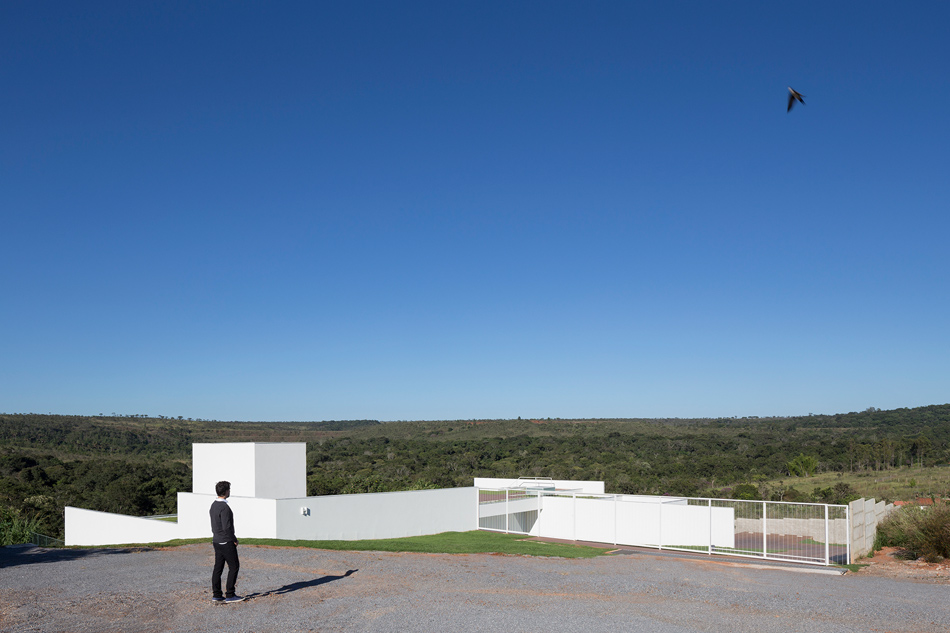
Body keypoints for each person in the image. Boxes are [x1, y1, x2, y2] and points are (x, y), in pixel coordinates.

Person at [210, 481, 245, 603]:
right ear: (225, 491)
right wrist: (234, 539)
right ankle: (230, 594)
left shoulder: (213, 505)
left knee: (218, 568)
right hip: (226, 541)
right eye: (229, 489)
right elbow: (226, 527)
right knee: (234, 566)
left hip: (216, 541)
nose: (229, 491)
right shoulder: (224, 508)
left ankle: (217, 594)